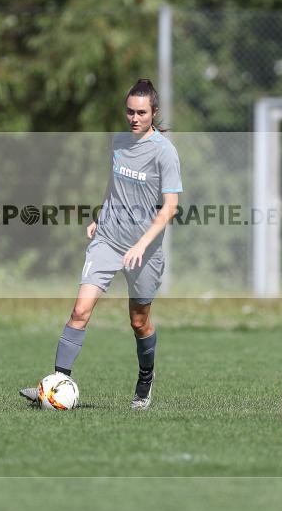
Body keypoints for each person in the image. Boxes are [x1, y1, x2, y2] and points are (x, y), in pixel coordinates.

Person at [20, 78, 182, 410]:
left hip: (144, 251)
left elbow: (170, 207)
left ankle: (145, 380)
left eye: (141, 112)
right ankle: (54, 385)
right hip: (108, 238)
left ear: (154, 113)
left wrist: (140, 244)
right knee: (80, 310)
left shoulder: (165, 152)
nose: (134, 118)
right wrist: (99, 215)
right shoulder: (119, 142)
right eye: (129, 112)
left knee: (139, 321)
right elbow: (114, 182)